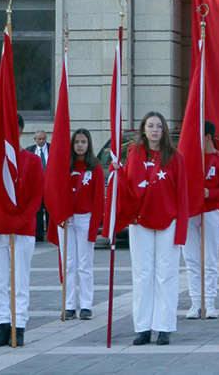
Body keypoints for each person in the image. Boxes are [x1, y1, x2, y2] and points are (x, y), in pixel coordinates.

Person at [115, 112, 189, 346]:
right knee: (142, 275)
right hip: (140, 221)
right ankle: (143, 327)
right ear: (143, 130)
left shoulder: (175, 157)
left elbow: (182, 193)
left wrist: (181, 228)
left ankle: (164, 326)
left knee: (166, 275)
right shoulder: (134, 155)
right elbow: (127, 186)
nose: (155, 129)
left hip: (168, 220)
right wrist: (117, 172)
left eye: (158, 125)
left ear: (164, 129)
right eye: (150, 125)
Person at [0, 113, 44, 347]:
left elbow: (36, 196)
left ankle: (19, 324)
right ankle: (2, 324)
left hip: (22, 229)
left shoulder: (32, 161)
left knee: (20, 279)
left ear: (21, 132)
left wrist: (22, 220)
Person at [183, 121, 219, 320]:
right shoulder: (188, 158)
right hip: (190, 212)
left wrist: (209, 193)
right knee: (191, 259)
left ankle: (210, 302)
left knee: (210, 259)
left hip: (210, 211)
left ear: (208, 137)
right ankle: (196, 302)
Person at [59, 129, 104, 321]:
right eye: (76, 141)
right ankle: (69, 305)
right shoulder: (65, 166)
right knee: (68, 264)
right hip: (66, 220)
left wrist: (95, 227)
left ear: (89, 144)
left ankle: (86, 305)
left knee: (85, 264)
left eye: (83, 142)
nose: (79, 145)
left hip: (85, 219)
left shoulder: (95, 168)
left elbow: (98, 200)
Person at [27, 129, 51, 241]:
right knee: (37, 211)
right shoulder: (29, 151)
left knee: (50, 210)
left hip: (49, 186)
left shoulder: (52, 148)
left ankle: (51, 234)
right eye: (40, 139)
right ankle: (39, 235)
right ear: (35, 139)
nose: (42, 141)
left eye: (44, 139)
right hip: (36, 186)